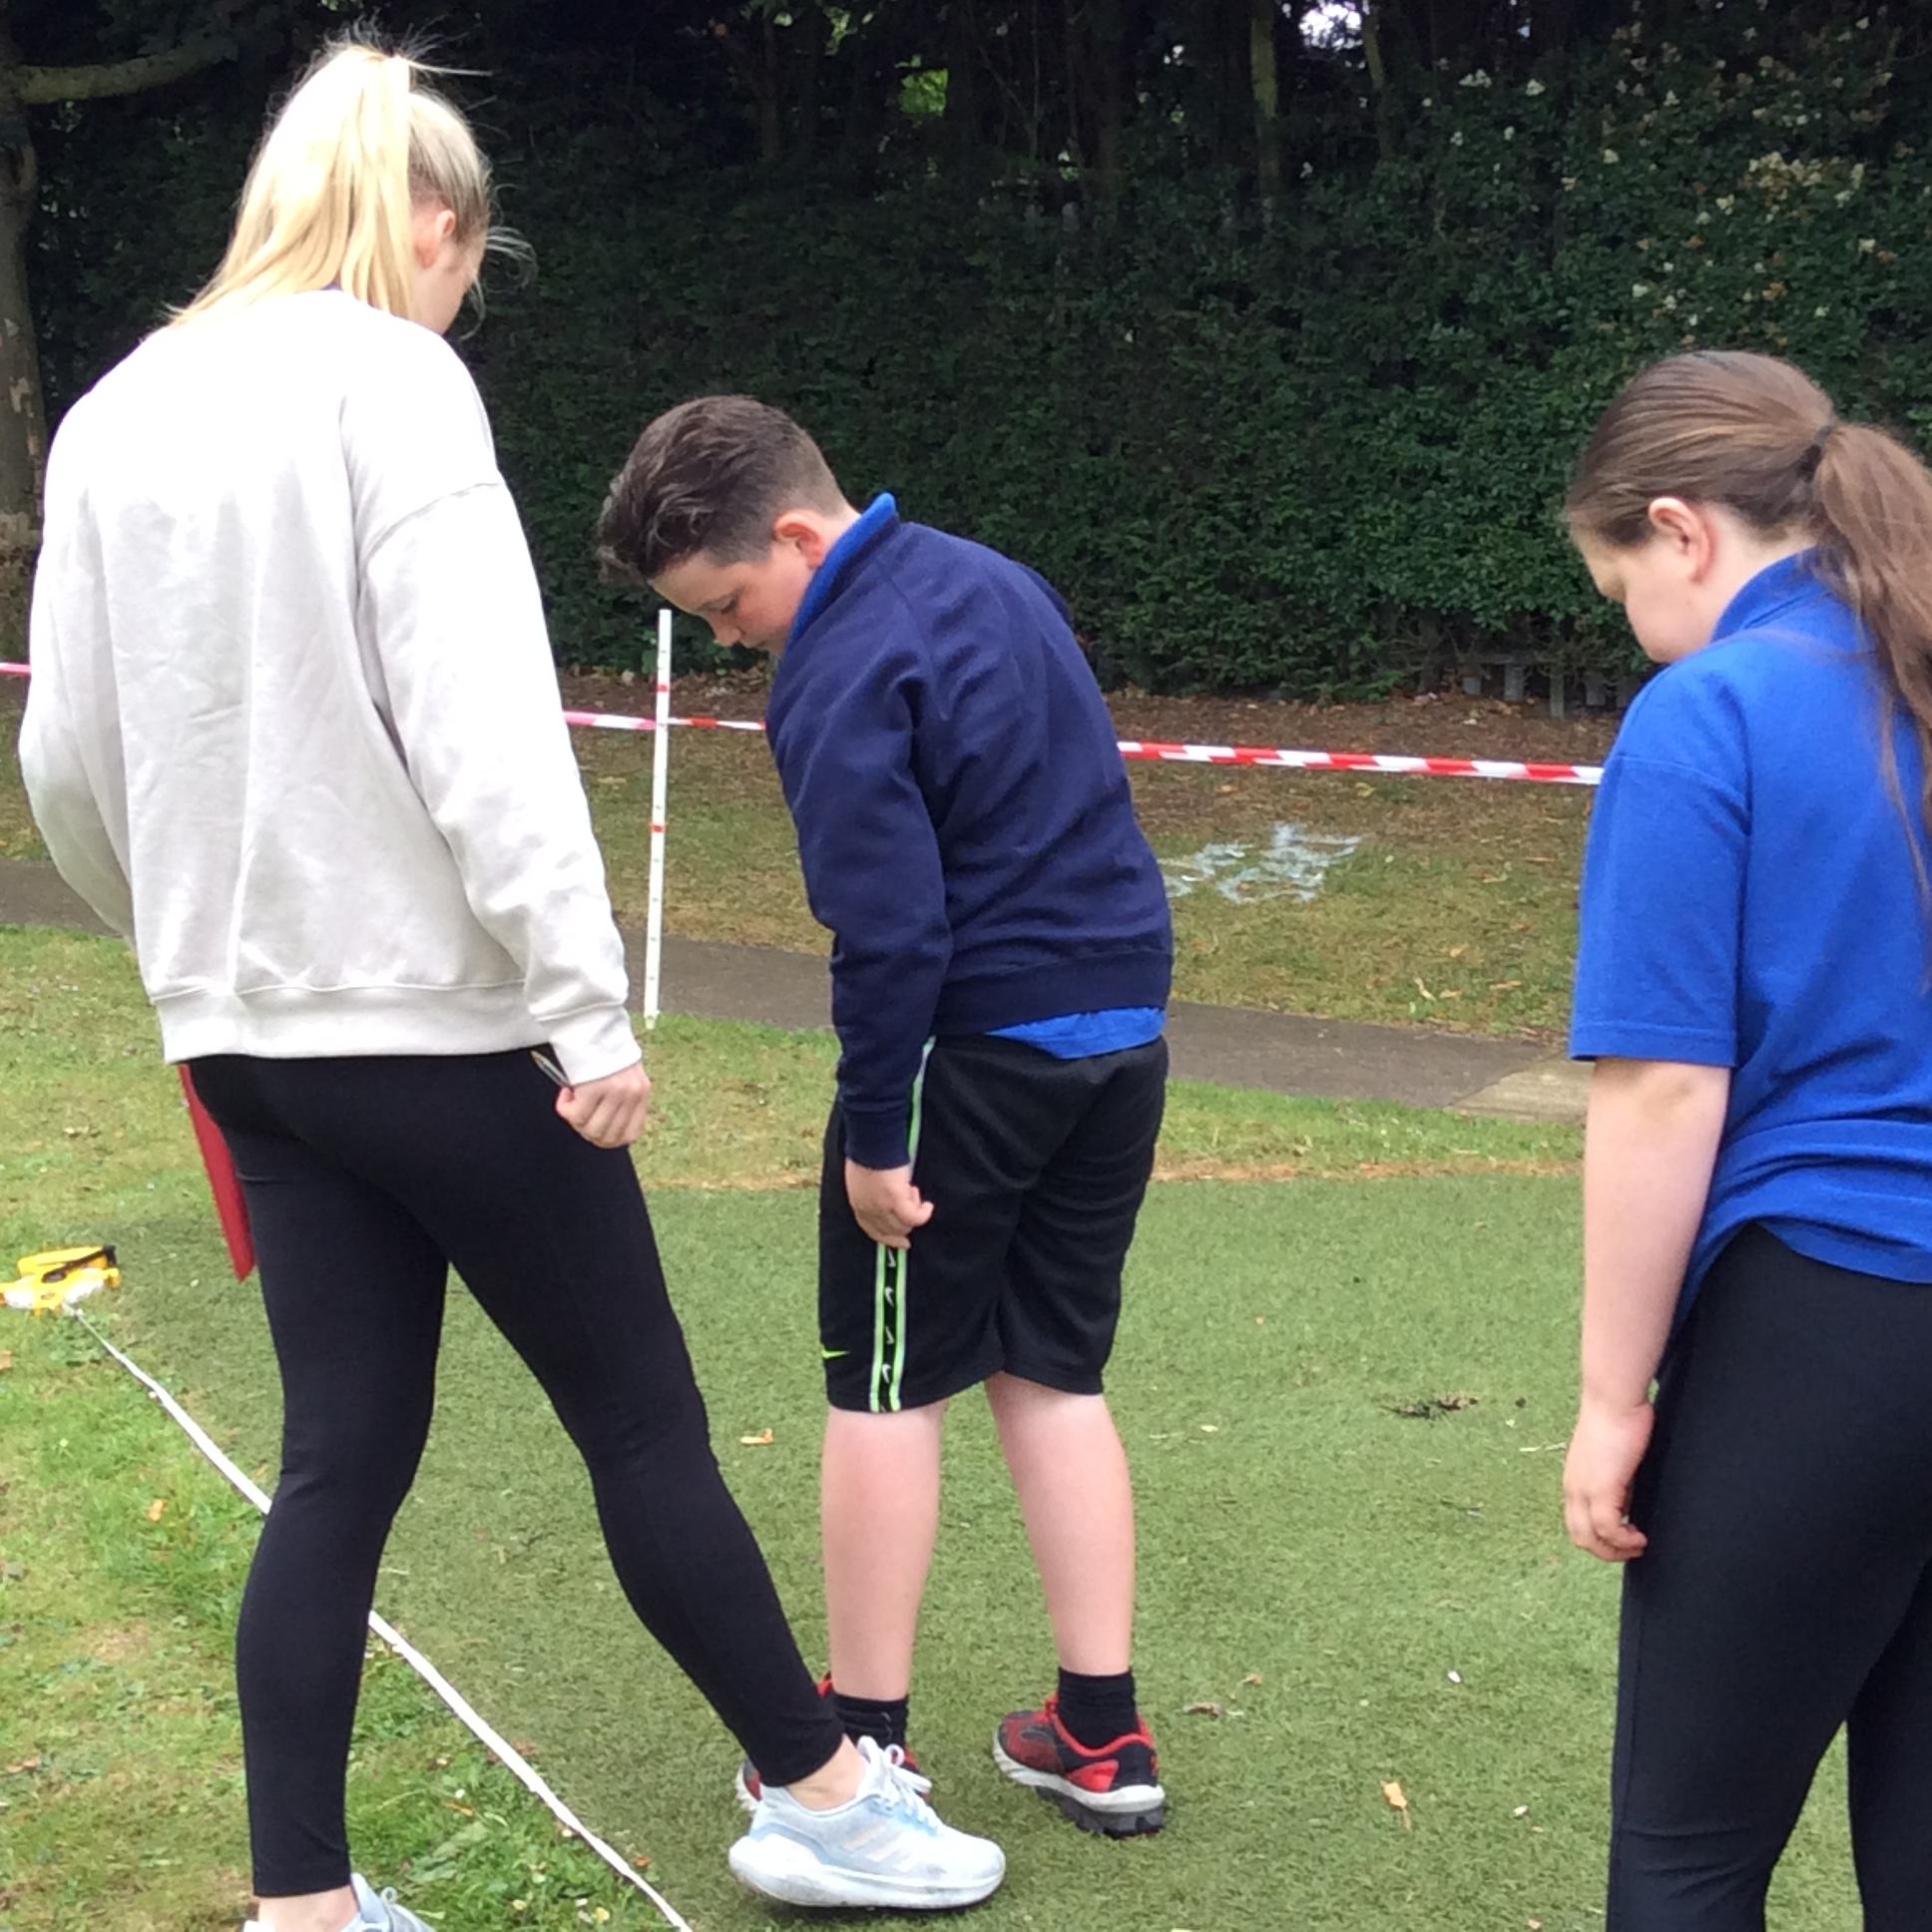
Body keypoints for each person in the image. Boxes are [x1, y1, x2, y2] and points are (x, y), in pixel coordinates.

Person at [20, 44, 1002, 1929]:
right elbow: (484, 727)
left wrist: (185, 950)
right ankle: (822, 1797)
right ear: (434, 225)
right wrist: (587, 1001)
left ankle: (305, 1908)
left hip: (246, 1044)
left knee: (337, 1467)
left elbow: (65, 760)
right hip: (445, 1031)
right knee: (640, 1424)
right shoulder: (396, 381)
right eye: (471, 264)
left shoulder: (113, 413)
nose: (462, 298)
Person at [597, 396, 1175, 1842]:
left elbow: (889, 928)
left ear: (799, 536)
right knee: (1054, 1372)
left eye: (728, 604)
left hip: (969, 1054)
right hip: (1121, 1036)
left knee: (882, 1385)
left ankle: (864, 1735)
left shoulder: (839, 665)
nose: (729, 639)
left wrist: (873, 1134)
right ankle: (1099, 1732)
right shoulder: (998, 580)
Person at [1562, 348, 1932, 1929]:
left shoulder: (1708, 710)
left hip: (1831, 1320)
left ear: (1680, 529)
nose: (1637, 626)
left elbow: (1662, 1092)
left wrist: (1611, 1400)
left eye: (1621, 591)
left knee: (1691, 1850)